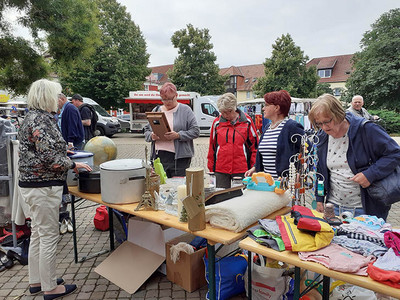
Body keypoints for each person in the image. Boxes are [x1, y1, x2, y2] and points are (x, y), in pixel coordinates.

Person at [18, 79, 92, 299]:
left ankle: (37, 281)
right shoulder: (42, 120)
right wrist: (74, 164)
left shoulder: (33, 117)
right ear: (47, 96)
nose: (61, 100)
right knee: (49, 236)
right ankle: (50, 287)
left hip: (33, 185)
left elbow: (45, 151)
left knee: (39, 235)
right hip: (42, 186)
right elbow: (51, 159)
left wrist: (63, 153)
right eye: (58, 95)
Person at [308, 93, 400, 220]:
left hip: (366, 210)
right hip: (333, 208)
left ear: (338, 114)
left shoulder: (366, 129)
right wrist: (319, 199)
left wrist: (370, 174)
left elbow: (395, 153)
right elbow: (320, 171)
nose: (324, 127)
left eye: (327, 121)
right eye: (319, 124)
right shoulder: (323, 137)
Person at [144, 82, 200, 177]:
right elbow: (146, 130)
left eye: (170, 99)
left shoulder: (185, 110)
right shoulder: (156, 110)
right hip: (159, 156)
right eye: (164, 99)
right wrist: (151, 136)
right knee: (160, 185)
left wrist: (178, 135)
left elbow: (195, 131)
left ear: (176, 95)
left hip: (180, 159)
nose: (167, 102)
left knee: (178, 186)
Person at [245, 90, 304, 180]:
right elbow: (263, 155)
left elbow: (308, 150)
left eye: (266, 105)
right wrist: (254, 168)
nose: (263, 109)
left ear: (276, 108)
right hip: (267, 185)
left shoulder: (291, 127)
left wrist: (300, 173)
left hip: (284, 186)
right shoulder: (267, 128)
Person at [207, 93, 259, 188]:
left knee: (242, 197)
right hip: (221, 169)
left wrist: (253, 167)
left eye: (229, 111)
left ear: (235, 108)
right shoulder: (217, 123)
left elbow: (255, 146)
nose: (226, 115)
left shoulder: (247, 121)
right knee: (220, 197)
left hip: (242, 169)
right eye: (223, 112)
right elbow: (212, 146)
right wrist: (211, 168)